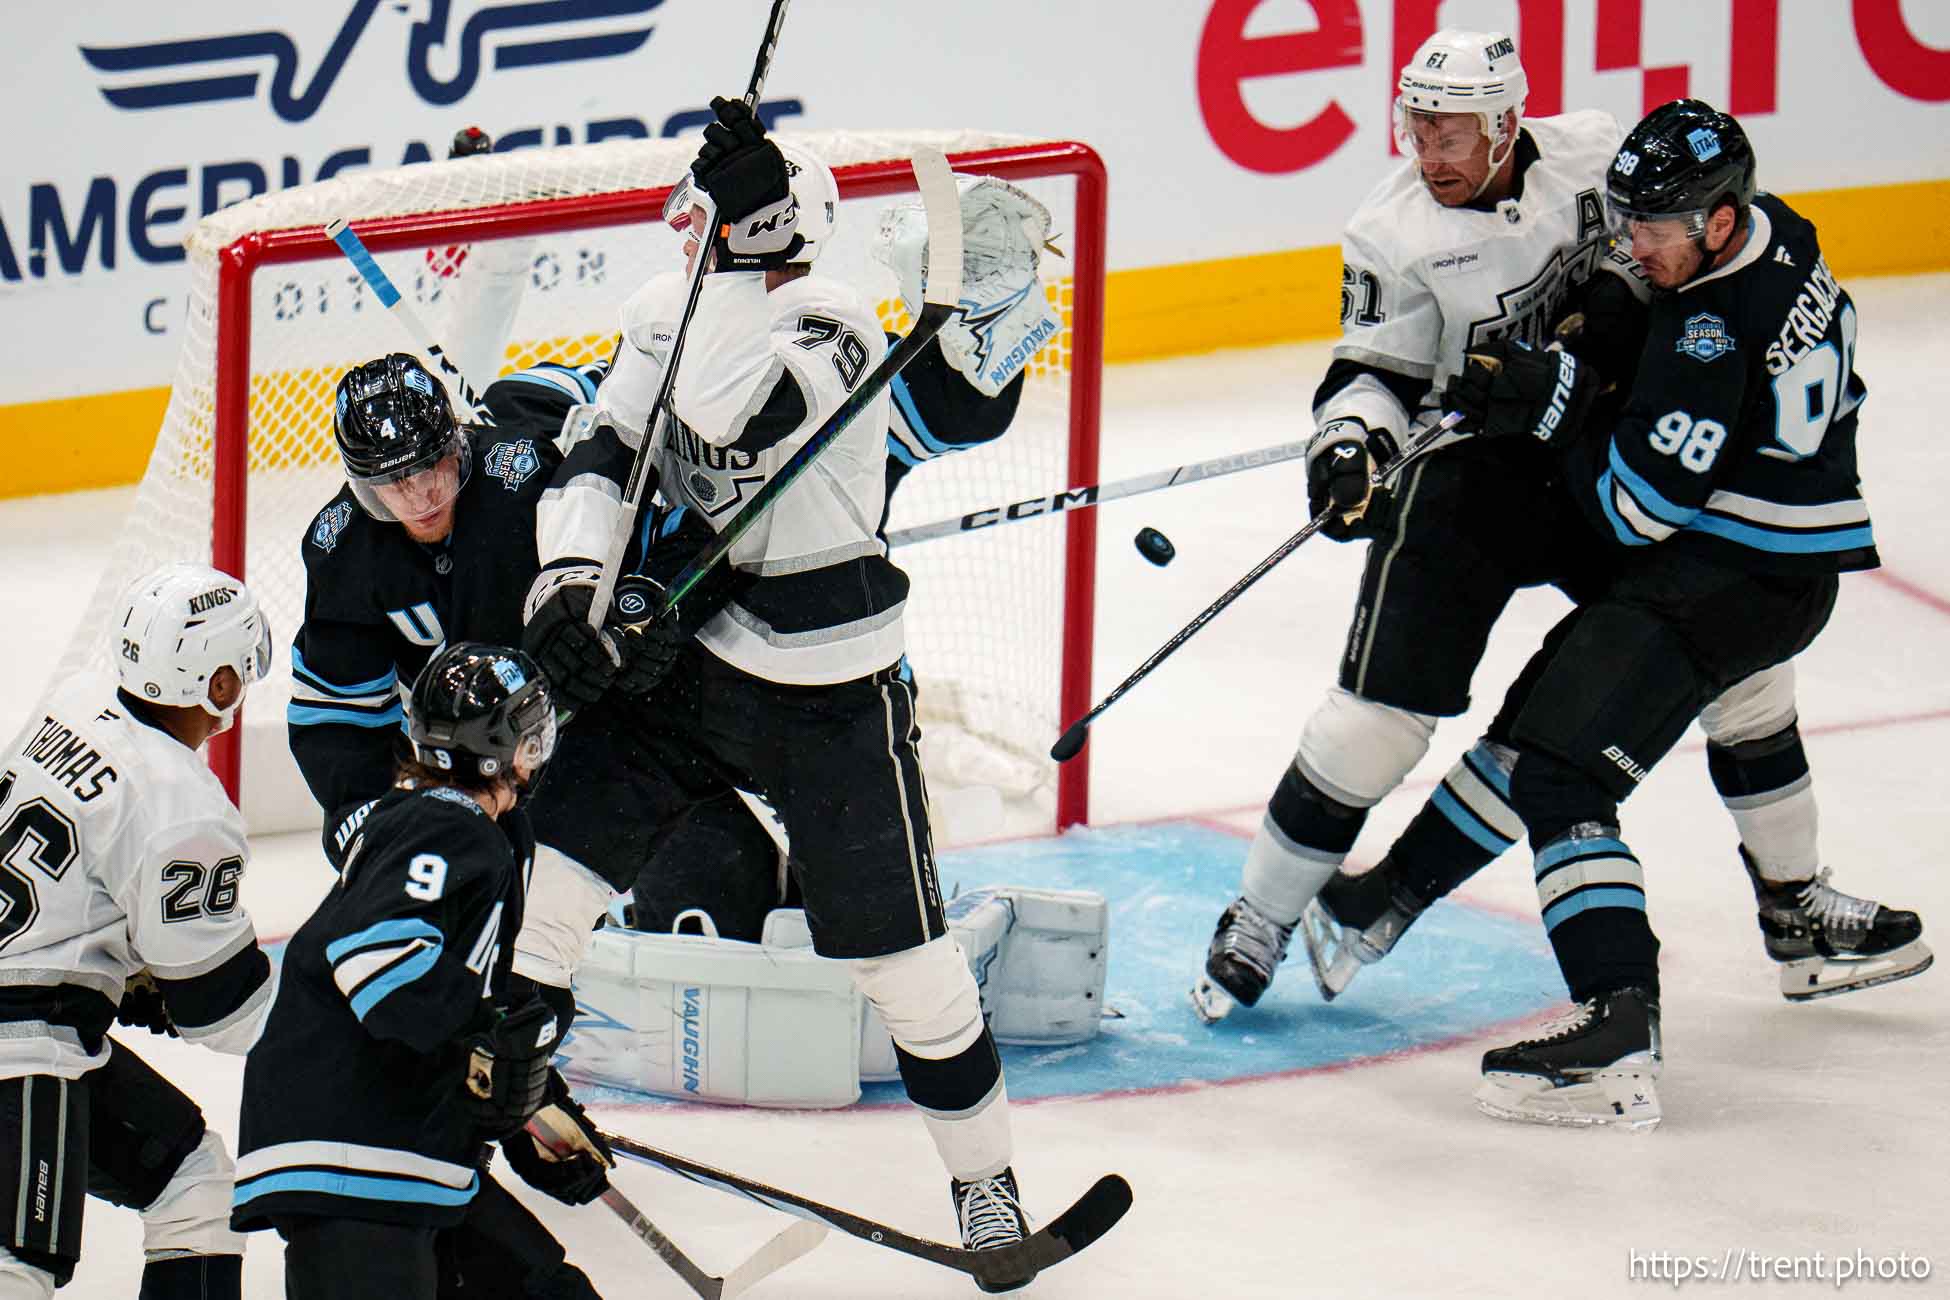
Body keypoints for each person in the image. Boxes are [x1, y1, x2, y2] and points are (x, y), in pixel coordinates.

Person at [1188, 30, 1886, 1025]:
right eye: (1418, 125)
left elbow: (1644, 277)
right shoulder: (1390, 233)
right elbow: (1373, 376)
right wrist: (1347, 445)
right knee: (1375, 727)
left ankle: (1795, 903)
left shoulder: (1592, 151)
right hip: (1467, 489)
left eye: (1453, 130)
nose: (1430, 151)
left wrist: (1592, 343)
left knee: (1739, 670)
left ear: (1508, 122)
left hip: (1598, 465)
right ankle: (1261, 916)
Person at [523, 96, 1036, 1275]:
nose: (692, 236)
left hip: (829, 694)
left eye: (724, 219)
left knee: (908, 967)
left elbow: (726, 410)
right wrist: (569, 581)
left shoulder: (837, 321)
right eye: (703, 217)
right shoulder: (664, 310)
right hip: (695, 665)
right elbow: (606, 450)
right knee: (553, 875)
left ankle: (987, 1182)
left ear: (776, 223)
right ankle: (505, 1085)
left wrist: (742, 252)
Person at [1444, 100, 1925, 1126]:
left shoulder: (1708, 331)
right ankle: (1797, 915)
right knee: (1752, 702)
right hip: (1795, 551)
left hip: (1731, 565)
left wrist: (1557, 407)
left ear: (1715, 223)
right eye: (1625, 219)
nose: (1633, 243)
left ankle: (1617, 1026)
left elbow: (1633, 510)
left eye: (1654, 228)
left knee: (1563, 772)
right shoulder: (1784, 231)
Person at [233, 643, 615, 1298]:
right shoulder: (444, 826)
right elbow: (376, 962)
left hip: (407, 1151)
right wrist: (492, 1037)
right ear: (512, 747)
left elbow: (445, 1016)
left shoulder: (444, 827)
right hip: (353, 1153)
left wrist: (531, 1112)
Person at [0, 563, 275, 1299]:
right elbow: (223, 1012)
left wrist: (130, 975)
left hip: (34, 1013)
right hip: (21, 1046)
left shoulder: (75, 699)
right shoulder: (185, 807)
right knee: (17, 1268)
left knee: (195, 1181)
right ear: (220, 684)